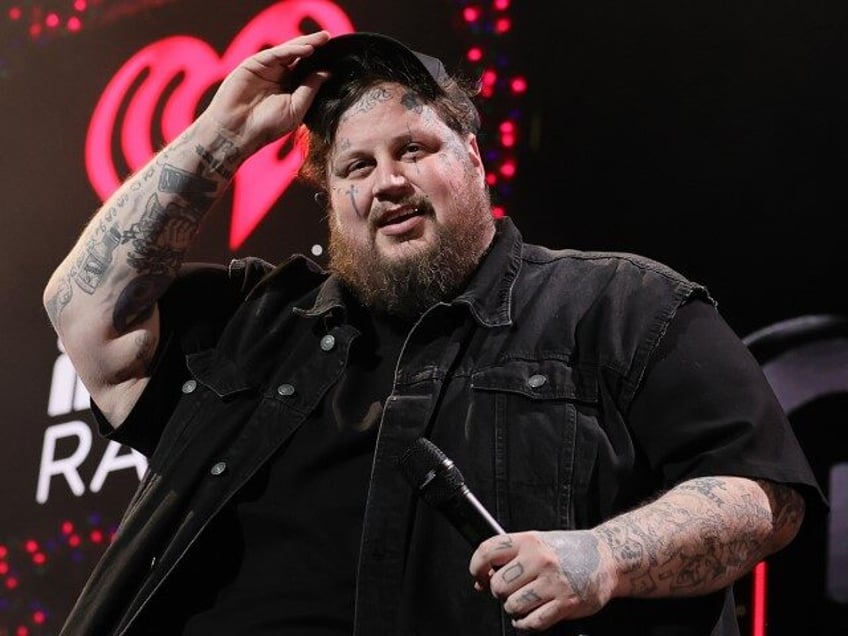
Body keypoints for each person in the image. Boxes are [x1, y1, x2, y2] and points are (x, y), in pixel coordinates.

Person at [43, 29, 825, 636]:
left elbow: (764, 494)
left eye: (412, 149)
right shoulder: (254, 318)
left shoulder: (618, 305)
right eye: (355, 167)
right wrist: (222, 133)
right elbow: (83, 314)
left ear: (475, 158)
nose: (386, 181)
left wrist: (602, 558)